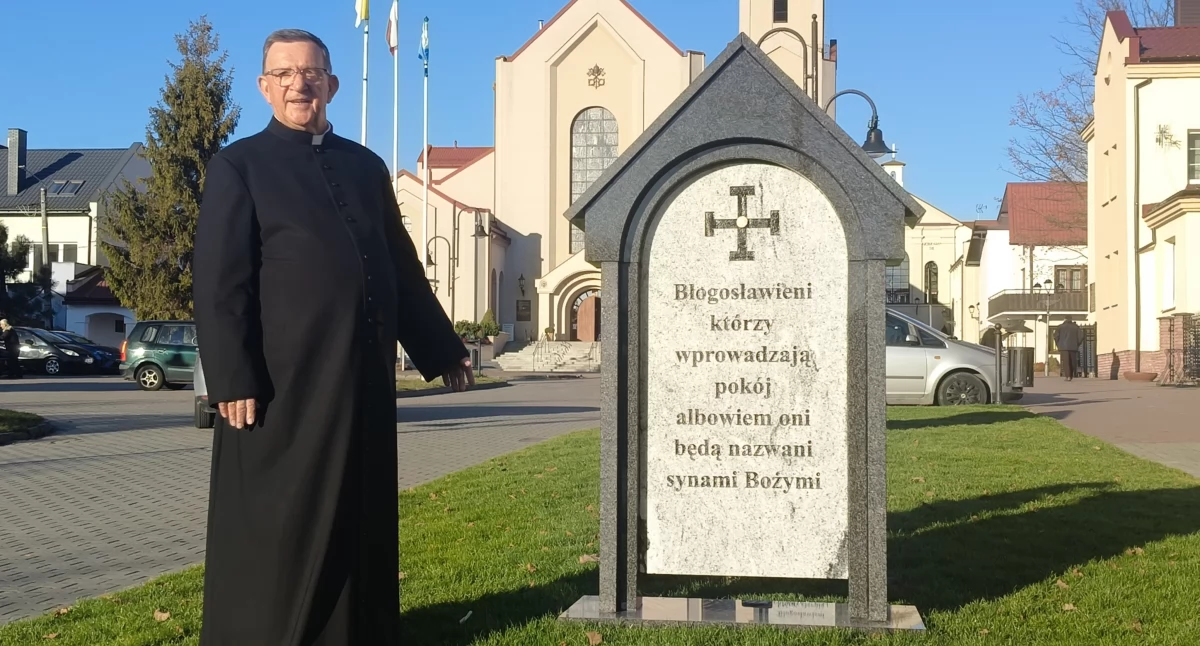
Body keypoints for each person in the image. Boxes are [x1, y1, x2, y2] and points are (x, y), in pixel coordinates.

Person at [193, 29, 474, 646]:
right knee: (281, 522)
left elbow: (399, 266)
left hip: (361, 381)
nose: (300, 82)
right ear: (266, 86)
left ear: (332, 84)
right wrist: (232, 377)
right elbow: (219, 285)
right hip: (279, 388)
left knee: (358, 511)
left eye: (312, 72)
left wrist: (442, 346)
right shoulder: (238, 166)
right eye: (285, 73)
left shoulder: (365, 166)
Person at [1055, 316, 1082, 381]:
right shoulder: (1076, 327)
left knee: (1066, 362)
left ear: (1064, 319)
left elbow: (1056, 336)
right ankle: (1071, 375)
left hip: (1063, 347)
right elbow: (1081, 336)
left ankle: (1068, 376)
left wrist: (1058, 344)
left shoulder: (1060, 327)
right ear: (1071, 319)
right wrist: (1077, 343)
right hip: (1073, 346)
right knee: (1072, 361)